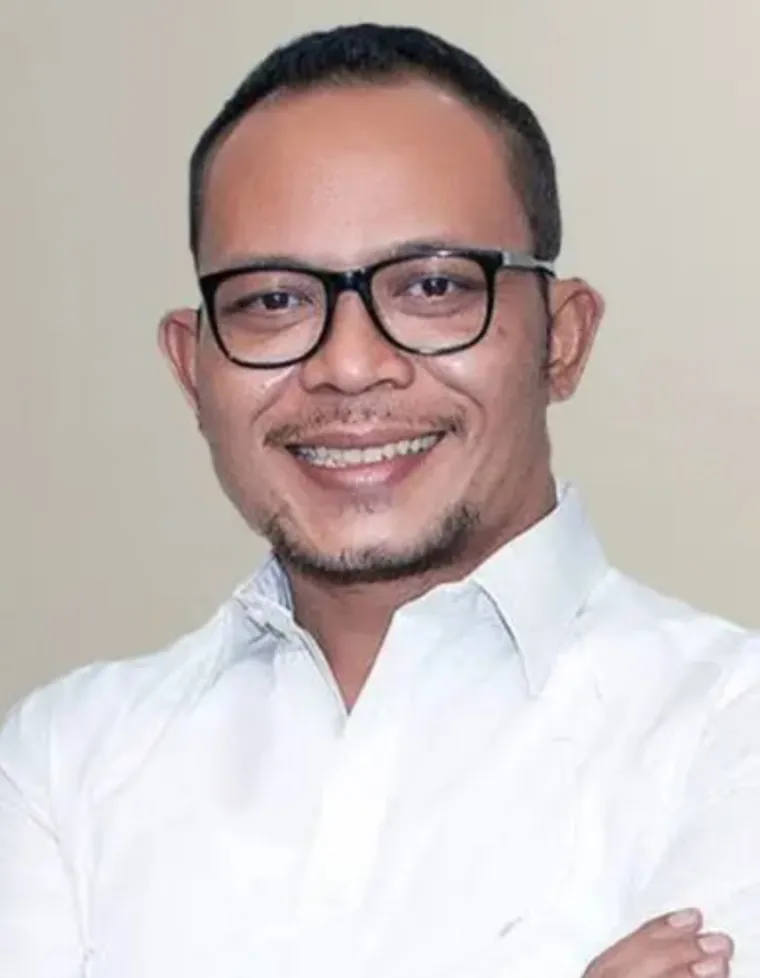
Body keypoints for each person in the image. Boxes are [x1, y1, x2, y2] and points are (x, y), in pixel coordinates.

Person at [0, 21, 756, 978]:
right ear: (193, 369)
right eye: (273, 300)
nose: (349, 365)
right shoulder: (63, 765)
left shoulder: (732, 729)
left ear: (561, 340)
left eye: (432, 286)